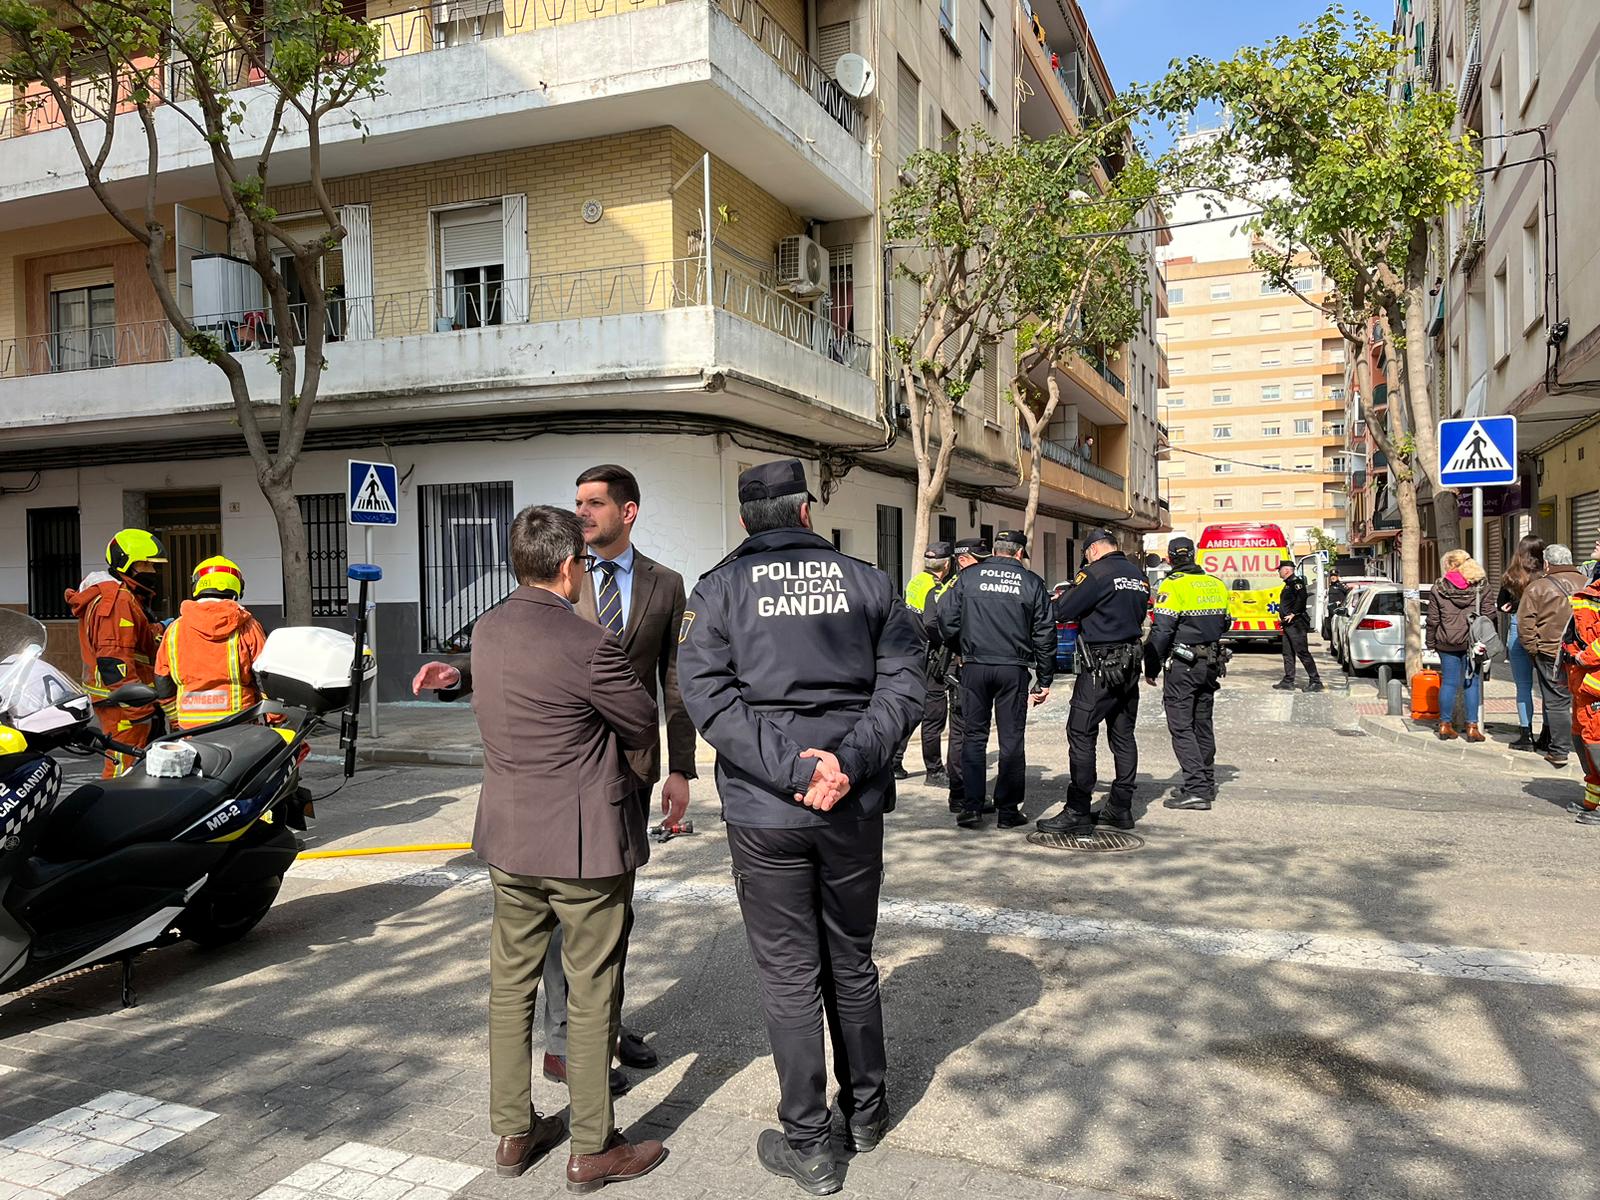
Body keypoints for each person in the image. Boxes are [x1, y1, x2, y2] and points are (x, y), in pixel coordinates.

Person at [677, 460, 924, 1196]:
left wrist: (794, 771)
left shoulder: (718, 589)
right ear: (806, 512)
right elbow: (905, 684)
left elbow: (708, 699)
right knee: (851, 960)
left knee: (790, 975)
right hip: (849, 804)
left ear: (745, 520)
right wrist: (846, 764)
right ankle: (867, 1113)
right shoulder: (869, 581)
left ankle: (810, 1146)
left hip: (767, 810)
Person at [414, 464, 693, 1094]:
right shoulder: (557, 577)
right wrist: (457, 675)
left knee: (610, 922)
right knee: (561, 923)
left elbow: (672, 683)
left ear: (628, 512)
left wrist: (679, 768)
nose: (583, 512)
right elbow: (517, 649)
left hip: (628, 776)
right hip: (565, 779)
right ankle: (567, 1046)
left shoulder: (666, 584)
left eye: (595, 503)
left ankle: (604, 1028)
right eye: (577, 502)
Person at [467, 504, 667, 1189]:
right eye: (582, 560)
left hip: (509, 839)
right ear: (566, 566)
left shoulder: (487, 629)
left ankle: (512, 1133)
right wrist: (628, 777)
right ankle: (593, 1144)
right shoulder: (588, 642)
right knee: (591, 992)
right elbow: (639, 720)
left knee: (509, 988)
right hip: (583, 848)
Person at [934, 528, 1054, 830]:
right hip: (1013, 668)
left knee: (974, 736)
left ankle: (971, 807)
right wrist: (1044, 678)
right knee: (1011, 739)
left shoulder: (968, 577)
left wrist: (961, 647)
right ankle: (1008, 811)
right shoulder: (1032, 582)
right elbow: (1045, 633)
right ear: (1019, 552)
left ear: (996, 549)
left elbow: (945, 618)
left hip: (974, 666)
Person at [1037, 528, 1150, 837]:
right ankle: (1121, 807)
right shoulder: (1138, 576)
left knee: (1080, 732)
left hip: (1100, 667)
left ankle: (1077, 811)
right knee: (1123, 735)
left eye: (1086, 554)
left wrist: (1056, 600)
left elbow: (1062, 611)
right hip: (1129, 664)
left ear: (1093, 550)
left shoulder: (1096, 573)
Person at [65, 529, 166, 778]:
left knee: (137, 766)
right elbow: (113, 661)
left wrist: (160, 629)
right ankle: (116, 803)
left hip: (123, 698)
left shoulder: (120, 595)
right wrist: (139, 711)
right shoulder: (117, 600)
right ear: (126, 564)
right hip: (123, 702)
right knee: (124, 766)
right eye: (147, 565)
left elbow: (130, 641)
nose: (153, 571)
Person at [1143, 536, 1230, 811]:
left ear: (1170, 558)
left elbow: (1162, 630)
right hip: (1211, 663)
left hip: (1184, 665)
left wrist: (1151, 666)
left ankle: (1196, 790)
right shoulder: (1216, 583)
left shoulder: (1172, 584)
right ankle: (1206, 781)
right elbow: (1226, 622)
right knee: (1202, 724)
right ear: (1193, 555)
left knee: (1181, 726)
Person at [153, 556, 267, 731]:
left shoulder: (174, 629)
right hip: (239, 728)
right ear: (238, 587)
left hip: (190, 730)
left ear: (197, 585)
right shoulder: (248, 626)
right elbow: (265, 676)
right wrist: (277, 719)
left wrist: (176, 720)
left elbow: (162, 679)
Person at [1519, 544, 1587, 768]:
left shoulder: (1537, 587)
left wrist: (1533, 649)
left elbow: (1525, 623)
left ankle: (1559, 751)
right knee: (1585, 699)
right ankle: (1587, 745)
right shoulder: (1588, 583)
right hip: (1584, 653)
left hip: (1551, 652)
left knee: (1557, 702)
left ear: (1547, 564)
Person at [898, 541, 959, 786]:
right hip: (931, 658)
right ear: (946, 565)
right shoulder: (936, 588)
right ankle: (934, 771)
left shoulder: (916, 582)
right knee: (934, 715)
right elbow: (932, 623)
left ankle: (894, 760)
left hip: (912, 654)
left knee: (914, 711)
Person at [1425, 550, 1495, 742]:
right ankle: (1472, 728)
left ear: (1449, 565)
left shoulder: (1439, 587)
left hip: (1446, 641)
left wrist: (1430, 642)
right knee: (1471, 682)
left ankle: (1445, 725)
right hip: (1473, 642)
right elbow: (1490, 614)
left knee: (1448, 683)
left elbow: (1433, 619)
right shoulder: (1481, 585)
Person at [1498, 535, 1547, 751]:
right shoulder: (1545, 576)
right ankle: (1547, 734)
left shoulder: (1512, 575)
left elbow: (1501, 604)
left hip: (1518, 629)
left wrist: (1511, 606)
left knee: (1523, 686)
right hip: (1543, 628)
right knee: (1547, 686)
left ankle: (1526, 734)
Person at [1562, 568, 1600, 824]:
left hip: (1593, 680)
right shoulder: (1592, 579)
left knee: (1596, 742)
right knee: (1584, 741)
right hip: (1583, 683)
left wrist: (1582, 657)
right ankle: (1592, 801)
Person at [1273, 559, 1323, 693]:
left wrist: (1294, 613)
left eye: (1280, 570)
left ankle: (1315, 681)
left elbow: (1302, 598)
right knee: (1287, 653)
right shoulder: (1288, 584)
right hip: (1288, 624)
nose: (1278, 572)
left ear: (1286, 570)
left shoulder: (1296, 582)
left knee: (1302, 652)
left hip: (1296, 624)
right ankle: (1288, 681)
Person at [1322, 570, 1349, 645]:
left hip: (1338, 612)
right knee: (1331, 631)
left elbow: (1347, 595)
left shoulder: (1341, 586)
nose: (1333, 577)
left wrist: (1341, 603)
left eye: (1334, 576)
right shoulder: (1330, 586)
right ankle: (1332, 645)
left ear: (1338, 577)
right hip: (1331, 612)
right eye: (1331, 576)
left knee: (1336, 631)